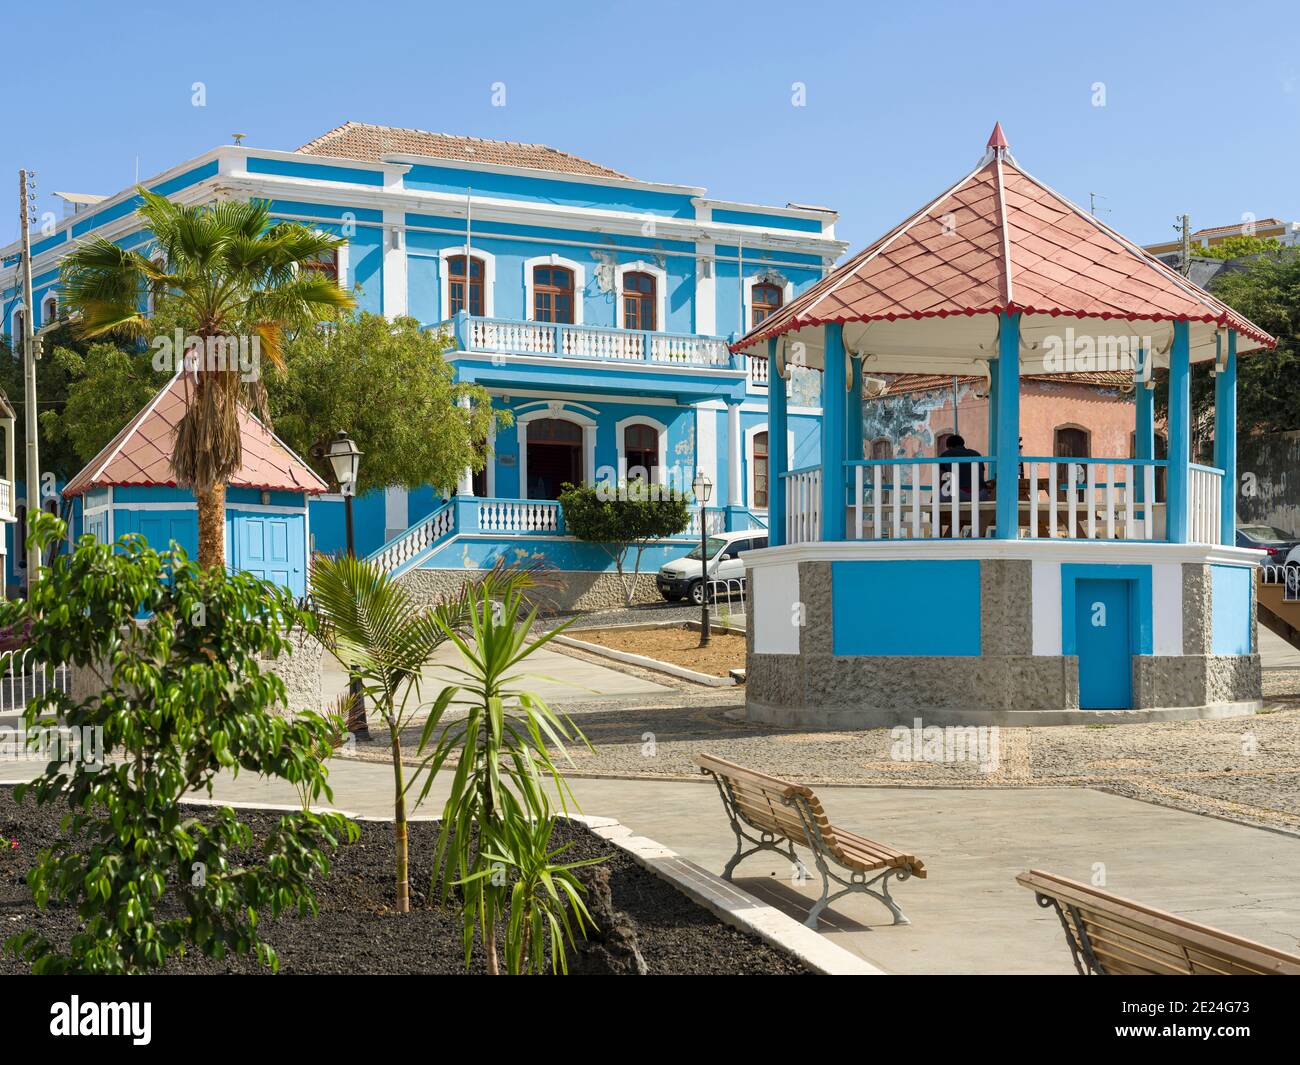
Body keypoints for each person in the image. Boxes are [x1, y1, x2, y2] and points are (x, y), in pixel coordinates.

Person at [938, 434, 991, 500]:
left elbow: (940, 478)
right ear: (962, 444)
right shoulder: (976, 454)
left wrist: (934, 495)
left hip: (958, 494)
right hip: (980, 494)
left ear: (949, 447)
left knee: (940, 495)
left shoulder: (946, 454)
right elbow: (981, 476)